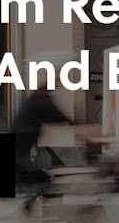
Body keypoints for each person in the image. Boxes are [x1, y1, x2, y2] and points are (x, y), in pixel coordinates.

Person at [9, 75, 73, 214]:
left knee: (32, 180)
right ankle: (26, 208)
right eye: (57, 83)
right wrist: (76, 124)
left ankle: (28, 214)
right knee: (44, 181)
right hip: (18, 154)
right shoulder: (41, 98)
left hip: (20, 152)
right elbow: (56, 116)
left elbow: (53, 116)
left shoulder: (36, 97)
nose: (58, 87)